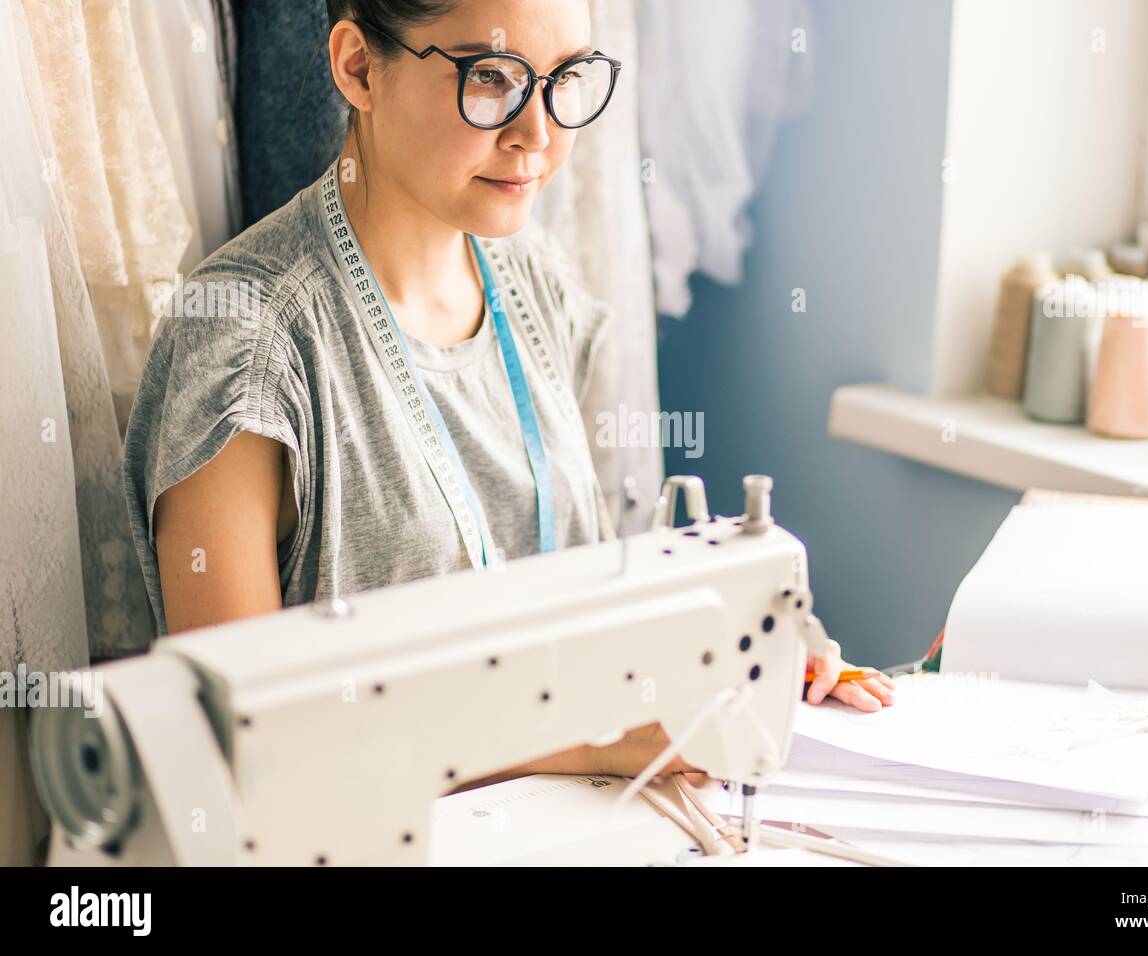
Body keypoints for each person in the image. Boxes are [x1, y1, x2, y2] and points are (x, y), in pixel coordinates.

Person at [123, 0, 893, 783]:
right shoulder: (244, 345)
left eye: (566, 79)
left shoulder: (534, 279)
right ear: (357, 66)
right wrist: (608, 744)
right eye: (492, 78)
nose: (540, 135)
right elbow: (240, 743)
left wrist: (739, 648)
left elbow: (580, 608)